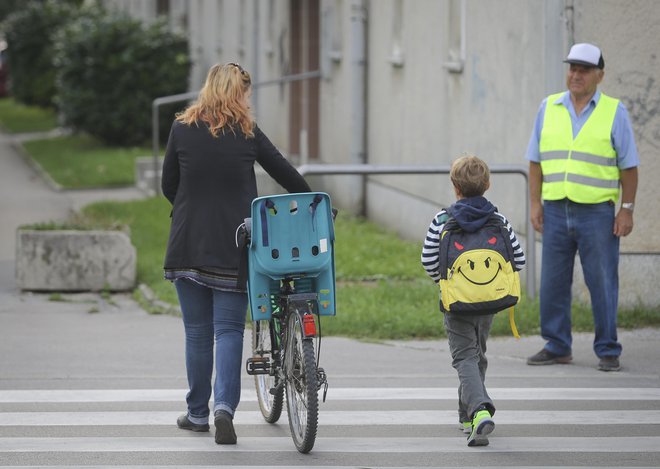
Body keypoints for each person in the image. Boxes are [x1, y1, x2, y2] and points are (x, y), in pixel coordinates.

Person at [161, 62, 311, 444]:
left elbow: (168, 186)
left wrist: (188, 209)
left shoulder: (181, 128)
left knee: (196, 333)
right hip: (234, 245)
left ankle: (197, 413)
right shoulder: (247, 134)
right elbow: (287, 175)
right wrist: (311, 203)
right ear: (238, 93)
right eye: (246, 92)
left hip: (187, 243)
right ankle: (223, 409)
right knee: (228, 331)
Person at [525, 43, 639, 372]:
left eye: (584, 69)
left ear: (599, 75)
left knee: (602, 281)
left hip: (597, 214)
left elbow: (629, 167)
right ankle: (557, 345)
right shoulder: (548, 107)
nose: (576, 74)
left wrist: (626, 209)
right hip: (556, 209)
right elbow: (535, 161)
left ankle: (608, 348)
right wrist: (535, 203)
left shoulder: (614, 112)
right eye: (572, 68)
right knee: (553, 283)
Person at [421, 155, 525, 446]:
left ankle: (479, 411)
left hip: (456, 303)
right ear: (487, 185)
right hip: (489, 301)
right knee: (476, 354)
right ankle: (466, 416)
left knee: (464, 356)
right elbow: (518, 258)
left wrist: (449, 283)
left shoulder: (442, 220)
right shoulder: (499, 219)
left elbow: (428, 260)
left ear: (455, 186)